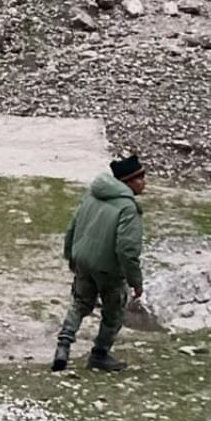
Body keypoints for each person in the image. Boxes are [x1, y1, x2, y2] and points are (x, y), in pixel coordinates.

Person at [51, 154, 147, 373]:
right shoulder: (128, 208)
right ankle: (100, 354)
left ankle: (63, 346)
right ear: (129, 181)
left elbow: (73, 227)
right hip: (108, 269)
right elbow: (127, 250)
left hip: (83, 260)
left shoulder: (93, 195)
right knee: (114, 311)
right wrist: (135, 281)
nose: (145, 183)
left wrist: (71, 256)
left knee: (80, 303)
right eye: (141, 178)